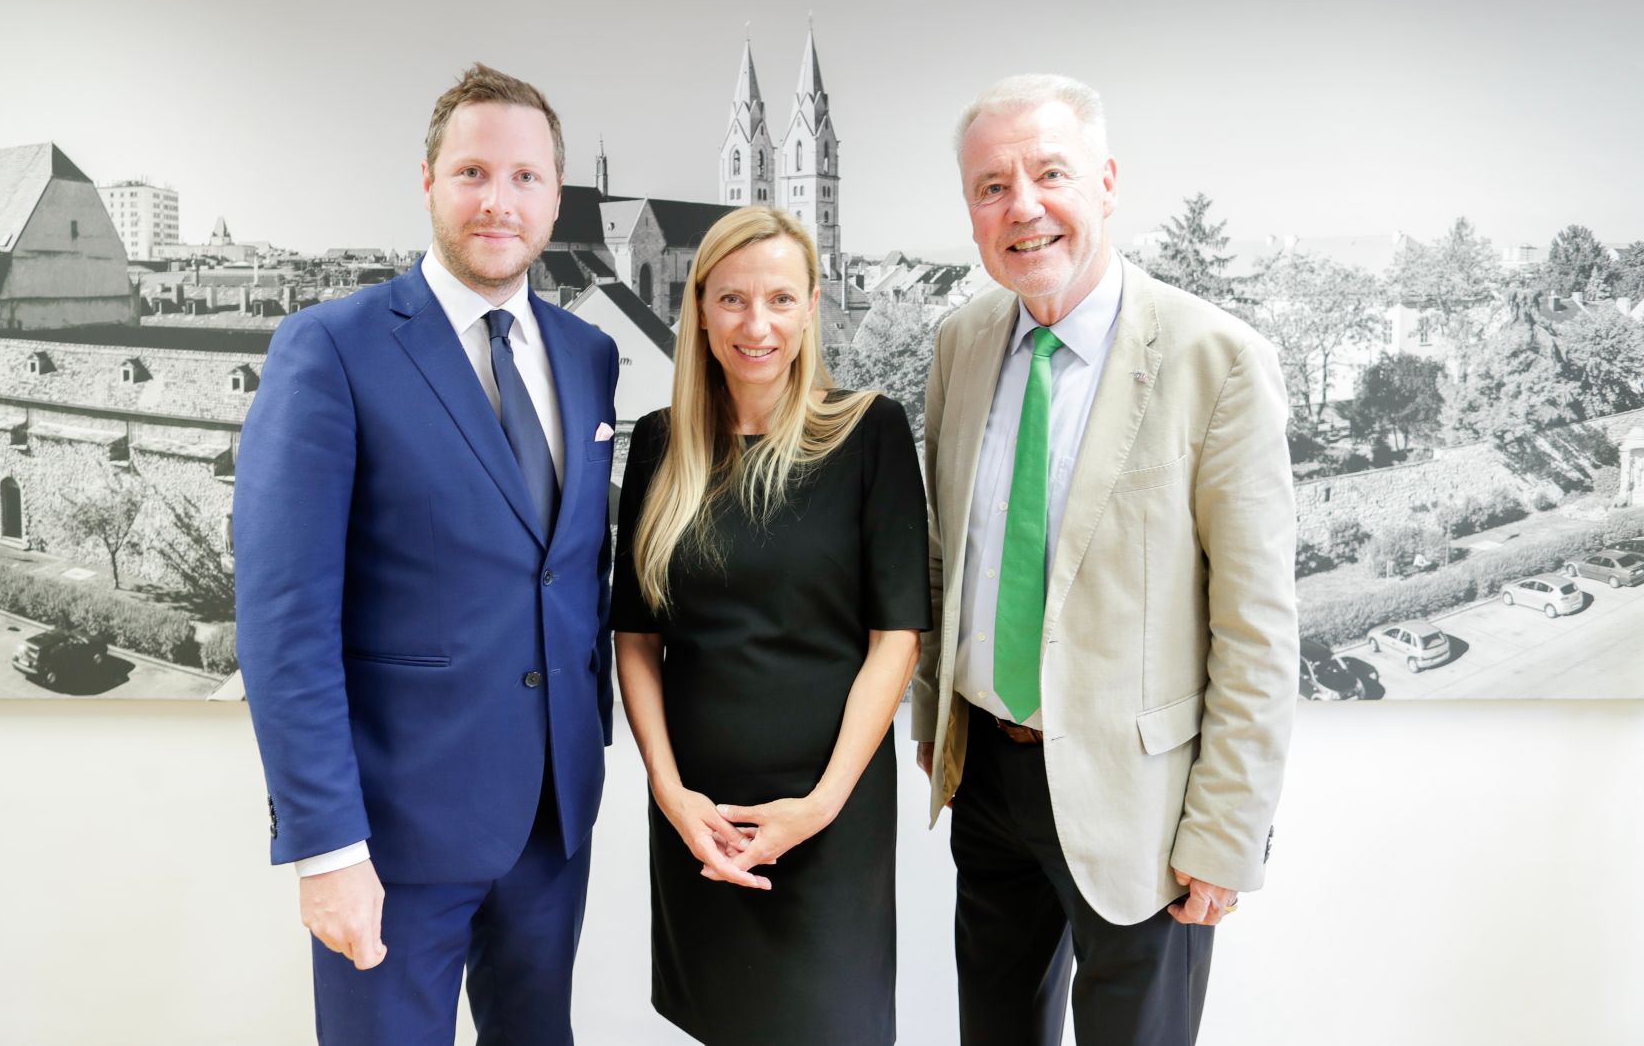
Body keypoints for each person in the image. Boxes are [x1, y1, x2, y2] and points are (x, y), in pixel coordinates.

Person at [234, 63, 620, 1046]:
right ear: (427, 182)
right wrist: (324, 845)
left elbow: (564, 572)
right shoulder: (331, 348)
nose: (500, 200)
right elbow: (285, 624)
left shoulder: (587, 355)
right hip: (392, 836)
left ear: (556, 195)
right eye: (473, 172)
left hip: (550, 823)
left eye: (526, 178)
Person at [912, 74, 1299, 1045]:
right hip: (988, 785)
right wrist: (934, 721)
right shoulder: (959, 346)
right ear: (969, 212)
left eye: (1048, 174)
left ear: (1107, 182)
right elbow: (940, 552)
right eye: (990, 187)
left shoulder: (1216, 360)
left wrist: (1223, 836)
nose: (1022, 207)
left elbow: (1255, 627)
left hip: (1145, 814)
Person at [610, 206, 930, 1046]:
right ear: (700, 308)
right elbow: (637, 638)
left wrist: (820, 806)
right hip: (698, 815)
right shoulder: (660, 444)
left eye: (781, 299)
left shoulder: (870, 432)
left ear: (812, 306)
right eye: (733, 300)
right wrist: (671, 794)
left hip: (830, 813)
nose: (758, 325)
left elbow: (896, 638)